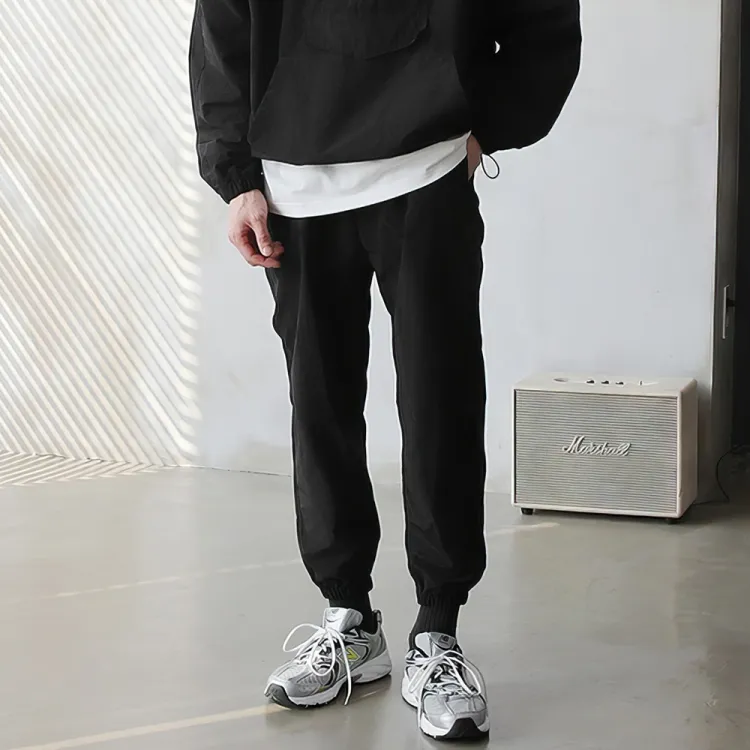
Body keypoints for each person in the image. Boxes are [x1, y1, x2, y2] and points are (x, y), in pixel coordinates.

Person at [189, 0, 581, 740]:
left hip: (424, 165)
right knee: (320, 404)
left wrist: (487, 127)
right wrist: (235, 176)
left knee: (439, 399)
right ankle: (350, 619)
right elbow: (222, 28)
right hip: (294, 184)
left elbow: (543, 17)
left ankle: (438, 629)